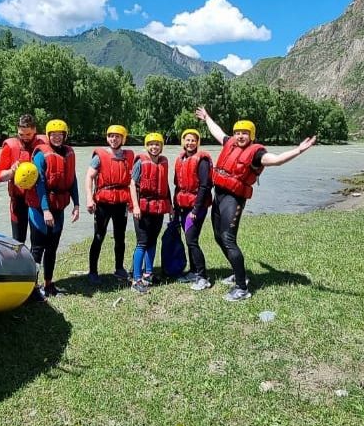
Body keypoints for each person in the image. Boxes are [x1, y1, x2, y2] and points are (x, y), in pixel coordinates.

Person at [195, 106, 318, 301]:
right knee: (218, 237)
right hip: (219, 195)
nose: (240, 136)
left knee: (228, 239)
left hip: (234, 199)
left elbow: (276, 160)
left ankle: (242, 288)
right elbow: (217, 131)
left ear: (251, 135)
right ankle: (238, 273)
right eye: (237, 133)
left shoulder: (257, 153)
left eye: (244, 133)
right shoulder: (230, 143)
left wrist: (299, 150)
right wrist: (207, 117)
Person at [29, 119, 79, 298]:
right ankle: (32, 288)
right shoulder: (41, 155)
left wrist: (76, 204)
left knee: (52, 248)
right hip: (40, 209)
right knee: (37, 249)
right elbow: (39, 183)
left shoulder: (68, 153)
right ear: (48, 136)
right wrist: (45, 210)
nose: (57, 137)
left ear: (65, 136)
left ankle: (49, 284)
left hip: (58, 207)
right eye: (53, 135)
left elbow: (72, 179)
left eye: (60, 135)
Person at [85, 125, 135, 284]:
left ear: (123, 139)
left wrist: (134, 202)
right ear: (107, 138)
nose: (114, 139)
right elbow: (89, 177)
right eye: (111, 136)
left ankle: (119, 268)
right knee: (99, 236)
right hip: (103, 203)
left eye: (117, 136)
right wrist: (89, 198)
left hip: (121, 202)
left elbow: (133, 180)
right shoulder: (99, 156)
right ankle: (93, 271)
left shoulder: (129, 156)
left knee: (120, 237)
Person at [0, 113, 49, 244]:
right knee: (18, 241)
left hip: (39, 198)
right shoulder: (10, 146)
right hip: (18, 200)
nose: (24, 138)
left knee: (39, 240)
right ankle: (18, 257)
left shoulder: (45, 144)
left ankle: (35, 258)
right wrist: (12, 171)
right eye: (21, 134)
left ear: (35, 130)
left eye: (28, 134)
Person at [129, 132, 171, 294]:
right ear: (146, 146)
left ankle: (148, 274)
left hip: (158, 208)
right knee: (142, 242)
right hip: (143, 208)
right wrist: (135, 206)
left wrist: (170, 206)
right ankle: (136, 279)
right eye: (151, 144)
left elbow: (165, 185)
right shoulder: (140, 162)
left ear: (161, 146)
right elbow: (132, 185)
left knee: (152, 241)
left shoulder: (163, 163)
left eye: (157, 144)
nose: (154, 147)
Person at [172, 128, 213, 289]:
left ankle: (202, 277)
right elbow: (178, 186)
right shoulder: (181, 159)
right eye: (187, 140)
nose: (190, 143)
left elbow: (204, 186)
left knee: (192, 240)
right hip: (183, 206)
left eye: (193, 140)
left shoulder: (202, 160)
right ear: (183, 141)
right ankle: (193, 271)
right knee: (189, 240)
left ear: (197, 142)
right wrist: (175, 207)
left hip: (197, 207)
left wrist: (196, 209)